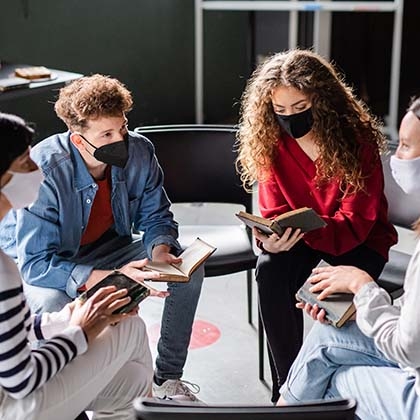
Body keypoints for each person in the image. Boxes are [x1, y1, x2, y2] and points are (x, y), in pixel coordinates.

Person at [0, 74, 205, 402]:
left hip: (109, 247)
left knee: (188, 273)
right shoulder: (45, 169)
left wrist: (160, 251)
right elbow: (36, 263)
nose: (121, 139)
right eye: (106, 134)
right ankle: (73, 392)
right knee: (53, 303)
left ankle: (167, 380)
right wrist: (111, 277)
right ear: (79, 140)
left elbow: (156, 215)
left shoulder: (140, 150)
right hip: (48, 261)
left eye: (122, 128)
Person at [235, 49, 398, 402]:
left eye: (299, 108)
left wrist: (304, 232)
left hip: (359, 242)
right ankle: (290, 389)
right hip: (302, 237)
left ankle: (334, 386)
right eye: (279, 111)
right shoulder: (271, 142)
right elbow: (273, 208)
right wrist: (270, 241)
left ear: (322, 101)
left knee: (330, 303)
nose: (289, 119)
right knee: (270, 269)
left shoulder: (357, 139)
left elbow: (359, 220)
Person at [0, 112, 153, 420]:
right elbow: (20, 379)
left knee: (135, 383)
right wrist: (81, 331)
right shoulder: (3, 269)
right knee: (130, 327)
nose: (38, 173)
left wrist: (69, 316)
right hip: (15, 407)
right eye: (25, 164)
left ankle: (149, 404)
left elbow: (12, 337)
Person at [277, 97, 420, 419]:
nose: (396, 157)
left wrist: (363, 287)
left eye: (407, 146)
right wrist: (364, 312)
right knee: (326, 338)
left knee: (331, 379)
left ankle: (282, 408)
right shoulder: (276, 146)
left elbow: (408, 349)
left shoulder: (355, 143)